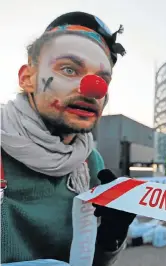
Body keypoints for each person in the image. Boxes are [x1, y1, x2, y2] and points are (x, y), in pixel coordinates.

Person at [0, 11, 136, 265]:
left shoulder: (89, 161)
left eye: (102, 79)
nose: (93, 89)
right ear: (27, 78)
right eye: (69, 69)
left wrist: (109, 240)